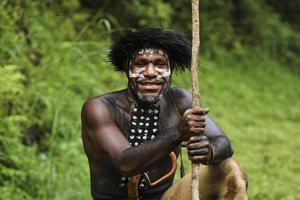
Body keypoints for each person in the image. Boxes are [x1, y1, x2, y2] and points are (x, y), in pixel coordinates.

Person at [81, 28, 247, 200]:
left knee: (230, 170)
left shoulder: (179, 100)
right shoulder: (100, 108)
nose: (151, 73)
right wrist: (178, 132)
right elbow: (126, 163)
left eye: (160, 64)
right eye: (141, 64)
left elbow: (223, 142)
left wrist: (209, 150)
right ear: (126, 68)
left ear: (171, 69)